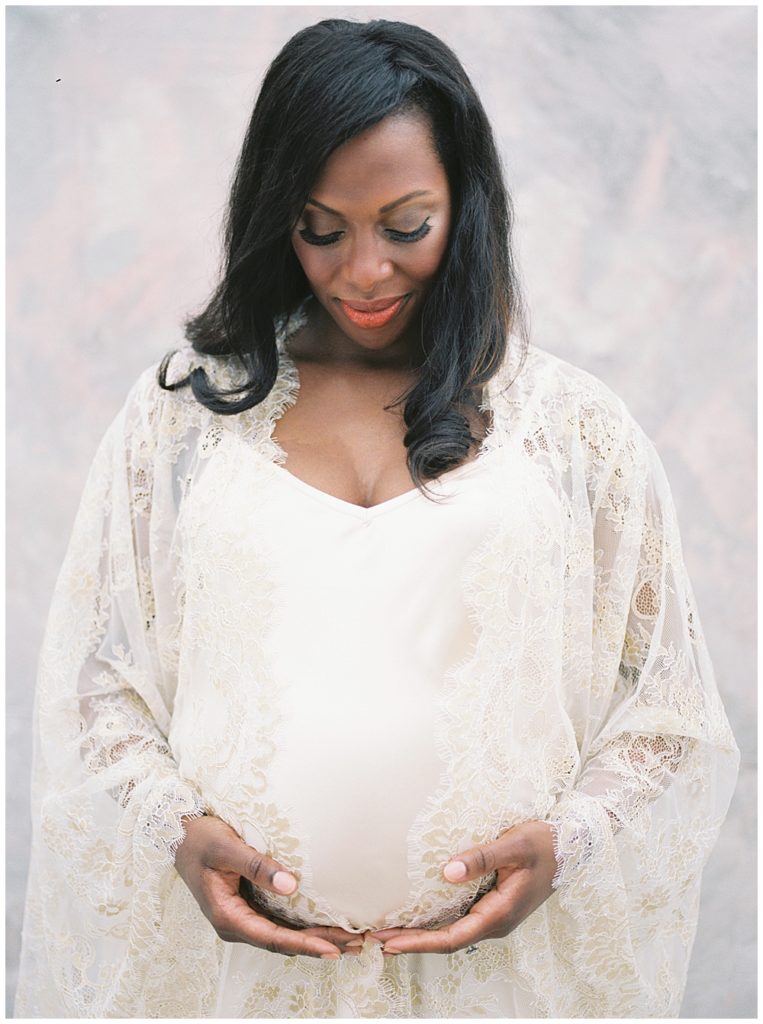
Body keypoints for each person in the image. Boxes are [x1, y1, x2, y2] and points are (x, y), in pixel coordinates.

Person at [14, 17, 739, 1019]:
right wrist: (174, 824)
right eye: (322, 226)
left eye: (406, 225)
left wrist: (569, 836)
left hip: (496, 988)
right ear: (276, 214)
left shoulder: (572, 429)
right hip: (238, 984)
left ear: (467, 205)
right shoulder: (178, 418)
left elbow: (669, 710)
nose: (362, 270)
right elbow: (95, 678)